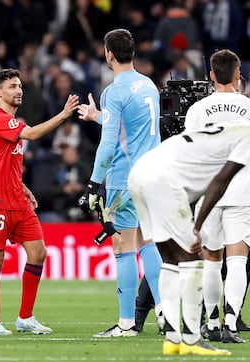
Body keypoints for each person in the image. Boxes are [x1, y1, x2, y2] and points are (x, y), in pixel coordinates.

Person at [127, 121, 250, 355]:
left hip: (140, 173)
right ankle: (192, 340)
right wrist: (198, 225)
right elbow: (219, 182)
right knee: (193, 259)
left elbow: (194, 184)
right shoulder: (247, 139)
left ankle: (173, 339)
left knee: (171, 260)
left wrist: (193, 220)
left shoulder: (222, 134)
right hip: (162, 181)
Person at [0, 68, 79, 335]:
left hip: (17, 201)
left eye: (19, 86)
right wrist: (64, 114)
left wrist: (23, 187)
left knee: (39, 253)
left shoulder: (11, 123)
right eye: (12, 86)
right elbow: (32, 135)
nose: (18, 90)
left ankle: (25, 317)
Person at [77, 28, 163, 338]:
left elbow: (109, 143)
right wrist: (98, 116)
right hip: (151, 176)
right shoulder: (148, 85)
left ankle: (127, 323)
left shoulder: (115, 90)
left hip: (124, 179)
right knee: (147, 242)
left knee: (123, 245)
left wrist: (92, 183)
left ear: (108, 54)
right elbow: (132, 127)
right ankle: (165, 312)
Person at [185, 49, 250, 343]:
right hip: (242, 191)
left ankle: (211, 322)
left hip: (208, 194)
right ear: (238, 75)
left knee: (212, 259)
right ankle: (231, 324)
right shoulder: (248, 108)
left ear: (211, 75)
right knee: (238, 260)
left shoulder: (198, 110)